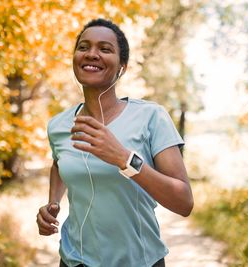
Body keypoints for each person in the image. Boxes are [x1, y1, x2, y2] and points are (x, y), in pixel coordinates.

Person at [36, 18, 194, 267]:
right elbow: (59, 164)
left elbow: (184, 202)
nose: (92, 54)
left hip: (137, 261)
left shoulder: (151, 117)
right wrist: (53, 202)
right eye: (84, 47)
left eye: (105, 49)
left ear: (123, 66)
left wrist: (124, 159)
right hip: (73, 260)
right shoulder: (58, 125)